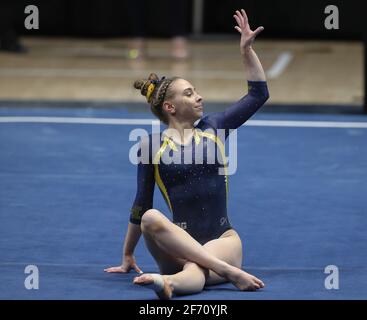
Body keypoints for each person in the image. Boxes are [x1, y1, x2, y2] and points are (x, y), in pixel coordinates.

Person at [105, 9, 269, 299]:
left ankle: (172, 284)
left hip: (224, 241)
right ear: (170, 107)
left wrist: (247, 50)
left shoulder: (214, 128)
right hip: (177, 244)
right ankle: (224, 273)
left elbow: (257, 95)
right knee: (152, 218)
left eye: (196, 91)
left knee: (194, 267)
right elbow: (141, 206)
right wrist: (127, 255)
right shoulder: (150, 147)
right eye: (190, 93)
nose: (199, 96)